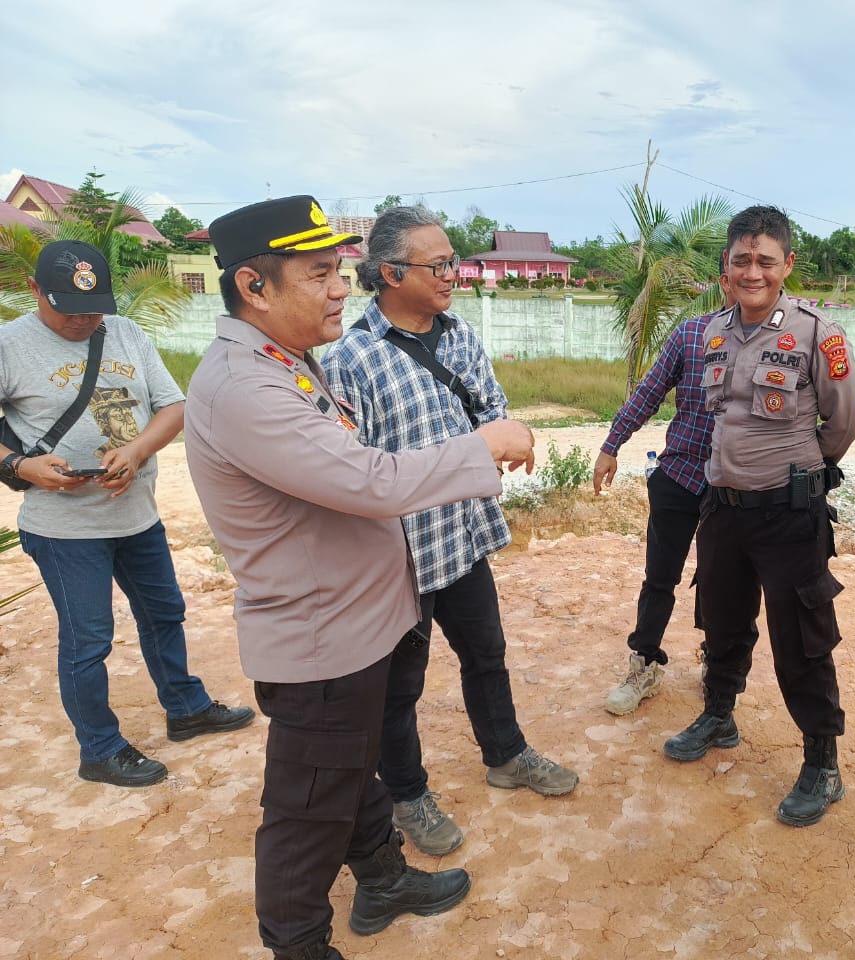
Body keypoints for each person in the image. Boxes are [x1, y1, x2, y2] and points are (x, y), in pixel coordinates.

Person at [184, 196, 537, 960]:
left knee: (349, 776)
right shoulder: (246, 388)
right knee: (305, 812)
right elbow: (370, 480)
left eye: (339, 269)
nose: (341, 287)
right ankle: (299, 944)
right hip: (321, 642)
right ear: (255, 286)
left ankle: (383, 878)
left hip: (355, 624)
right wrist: (482, 447)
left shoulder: (282, 357)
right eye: (320, 273)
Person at [321, 206, 577, 861]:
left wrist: (505, 434)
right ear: (389, 273)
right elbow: (355, 474)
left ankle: (507, 755)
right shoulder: (350, 360)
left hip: (461, 535)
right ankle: (407, 795)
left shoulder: (460, 336)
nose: (452, 276)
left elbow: (491, 408)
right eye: (438, 266)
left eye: (452, 262)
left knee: (486, 654)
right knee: (399, 688)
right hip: (396, 554)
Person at [0, 239, 253, 789]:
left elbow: (173, 405)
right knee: (88, 638)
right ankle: (100, 747)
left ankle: (186, 709)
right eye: (68, 308)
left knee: (165, 614)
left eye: (94, 308)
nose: (84, 320)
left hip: (136, 514)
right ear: (35, 291)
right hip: (64, 528)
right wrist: (21, 465)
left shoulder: (127, 334)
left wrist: (137, 452)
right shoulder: (9, 345)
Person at [663, 204, 855, 828]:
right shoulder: (712, 332)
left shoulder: (817, 333)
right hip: (722, 508)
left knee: (801, 642)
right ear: (725, 266)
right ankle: (719, 713)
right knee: (721, 621)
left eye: (765, 261)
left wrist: (798, 472)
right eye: (741, 260)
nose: (752, 271)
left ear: (786, 266)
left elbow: (844, 421)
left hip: (788, 513)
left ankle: (822, 763)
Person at [593, 263, 735, 716]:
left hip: (735, 485)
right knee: (660, 578)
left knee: (722, 583)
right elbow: (649, 392)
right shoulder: (691, 334)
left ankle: (717, 665)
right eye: (736, 272)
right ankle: (644, 663)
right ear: (723, 282)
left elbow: (829, 390)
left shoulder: (784, 340)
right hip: (680, 475)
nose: (747, 282)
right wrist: (611, 444)